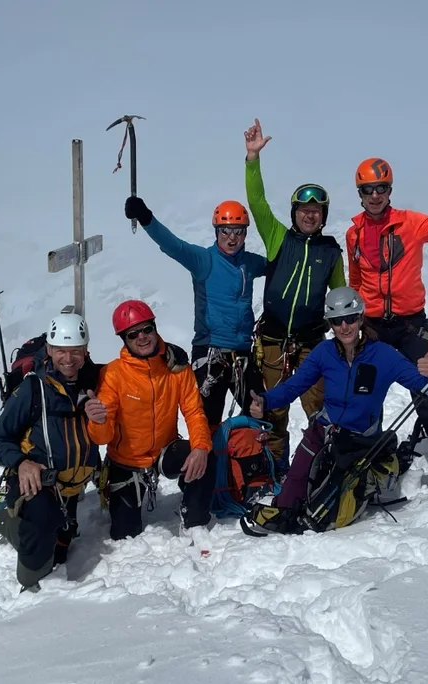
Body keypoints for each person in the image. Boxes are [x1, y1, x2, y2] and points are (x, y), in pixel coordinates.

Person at [248, 287, 428, 529]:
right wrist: (266, 401)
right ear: (331, 324)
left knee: (327, 511)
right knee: (288, 497)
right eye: (337, 321)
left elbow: (427, 389)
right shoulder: (324, 353)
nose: (345, 326)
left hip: (360, 442)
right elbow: (293, 387)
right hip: (323, 431)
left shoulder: (383, 355)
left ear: (361, 318)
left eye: (350, 319)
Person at [343, 154, 428, 486]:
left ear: (390, 190)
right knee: (363, 398)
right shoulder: (354, 234)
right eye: (368, 189)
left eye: (381, 188)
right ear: (359, 193)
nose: (375, 196)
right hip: (372, 328)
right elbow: (357, 282)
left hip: (410, 327)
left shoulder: (411, 223)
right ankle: (366, 467)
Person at [243, 117, 347, 469]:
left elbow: (340, 298)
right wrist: (253, 159)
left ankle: (318, 466)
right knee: (274, 408)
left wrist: (350, 336)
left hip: (313, 344)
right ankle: (274, 471)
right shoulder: (278, 237)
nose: (309, 215)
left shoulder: (331, 252)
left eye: (315, 210)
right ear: (295, 213)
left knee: (318, 407)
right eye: (304, 210)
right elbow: (257, 203)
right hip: (272, 341)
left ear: (323, 216)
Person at [123, 196, 268, 434]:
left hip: (243, 354)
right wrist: (145, 217)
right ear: (216, 231)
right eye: (226, 230)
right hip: (211, 353)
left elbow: (279, 266)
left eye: (238, 231)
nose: (232, 237)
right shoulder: (204, 260)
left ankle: (245, 468)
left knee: (259, 415)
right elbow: (173, 245)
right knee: (205, 424)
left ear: (245, 233)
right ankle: (206, 470)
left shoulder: (250, 263)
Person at [0, 312, 102, 591]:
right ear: (49, 350)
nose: (68, 358)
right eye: (61, 350)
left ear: (85, 351)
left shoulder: (96, 382)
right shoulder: (32, 389)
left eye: (75, 350)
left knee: (61, 549)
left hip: (71, 489)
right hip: (38, 484)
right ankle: (8, 520)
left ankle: (42, 524)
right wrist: (22, 463)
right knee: (39, 563)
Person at [85, 299, 216, 541]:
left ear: (155, 328)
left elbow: (194, 411)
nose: (142, 337)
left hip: (164, 451)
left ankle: (194, 519)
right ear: (124, 340)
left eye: (147, 329)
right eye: (133, 334)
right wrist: (98, 420)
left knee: (206, 454)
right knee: (125, 534)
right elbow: (101, 437)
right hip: (126, 462)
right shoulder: (113, 375)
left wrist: (200, 447)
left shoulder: (175, 367)